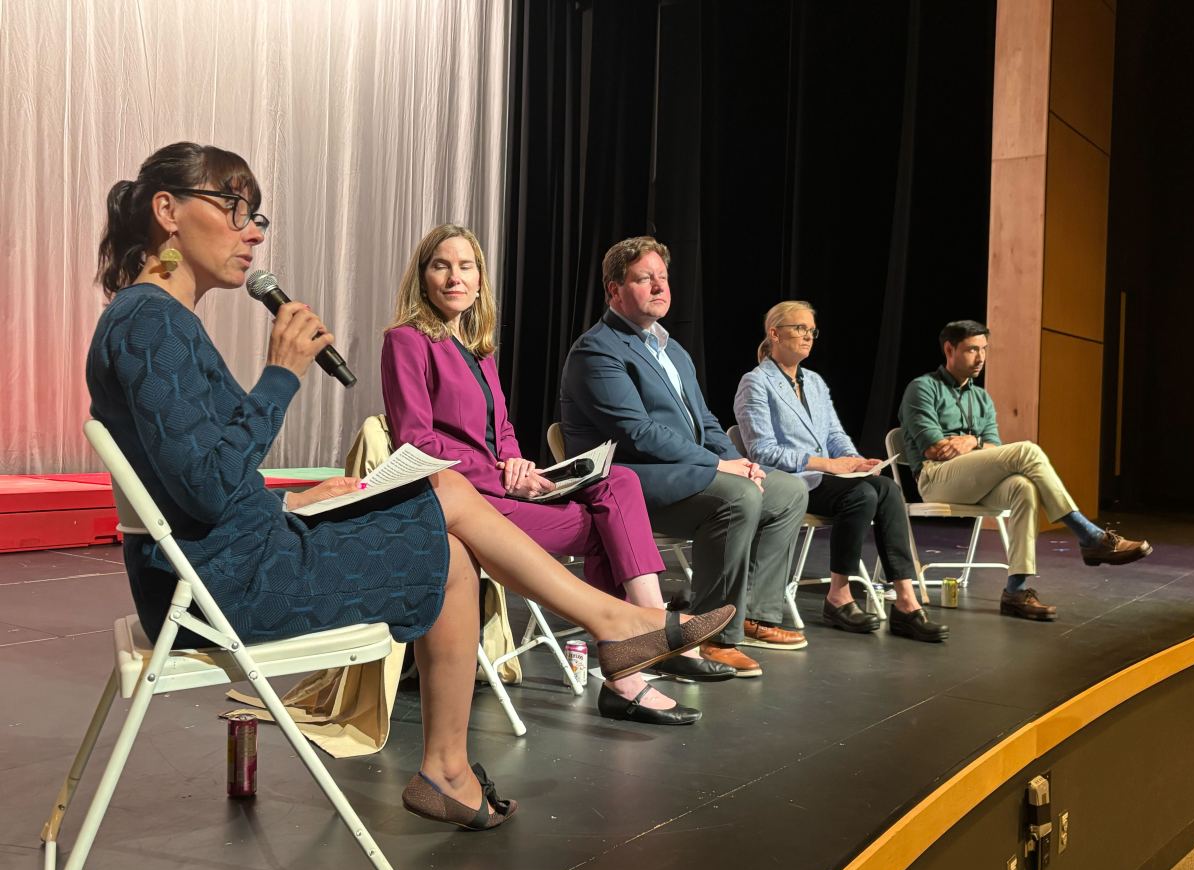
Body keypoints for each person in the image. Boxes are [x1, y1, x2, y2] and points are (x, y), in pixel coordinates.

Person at [86, 143, 734, 834]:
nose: (254, 231)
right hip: (221, 587)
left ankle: (453, 765)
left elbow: (195, 481)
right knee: (448, 500)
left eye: (258, 216)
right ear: (167, 212)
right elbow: (209, 490)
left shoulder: (156, 320)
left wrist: (292, 500)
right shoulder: (150, 322)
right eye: (236, 208)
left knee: (449, 544)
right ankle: (610, 630)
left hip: (222, 560)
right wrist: (281, 375)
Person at [381, 225, 736, 727]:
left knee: (620, 483)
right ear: (423, 277)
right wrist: (502, 475)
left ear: (480, 281)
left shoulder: (479, 351)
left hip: (500, 487)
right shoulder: (407, 340)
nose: (454, 277)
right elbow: (416, 441)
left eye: (466, 267)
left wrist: (516, 462)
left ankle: (647, 629)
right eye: (441, 265)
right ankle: (637, 661)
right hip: (461, 502)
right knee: (607, 532)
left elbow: (500, 429)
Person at [560, 236, 810, 678]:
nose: (659, 287)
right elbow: (637, 433)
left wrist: (739, 461)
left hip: (683, 473)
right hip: (629, 480)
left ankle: (752, 613)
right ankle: (709, 637)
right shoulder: (597, 349)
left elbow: (706, 422)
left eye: (663, 277)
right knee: (736, 497)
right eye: (644, 279)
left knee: (787, 490)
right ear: (614, 290)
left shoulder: (672, 349)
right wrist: (718, 466)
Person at [898, 319, 1152, 621]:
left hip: (974, 479)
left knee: (1024, 487)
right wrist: (975, 446)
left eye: (984, 350)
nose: (980, 358)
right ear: (949, 349)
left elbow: (993, 447)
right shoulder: (923, 388)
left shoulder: (981, 398)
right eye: (971, 350)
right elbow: (935, 449)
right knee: (1027, 451)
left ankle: (1016, 591)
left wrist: (971, 442)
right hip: (936, 478)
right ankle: (1089, 536)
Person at [733, 302, 947, 642]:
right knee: (860, 496)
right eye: (799, 328)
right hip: (791, 484)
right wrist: (829, 464)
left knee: (885, 488)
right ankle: (839, 595)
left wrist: (854, 459)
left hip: (829, 480)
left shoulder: (814, 382)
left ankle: (906, 601)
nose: (807, 336)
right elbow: (763, 451)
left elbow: (834, 434)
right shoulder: (755, 383)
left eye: (811, 330)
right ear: (774, 333)